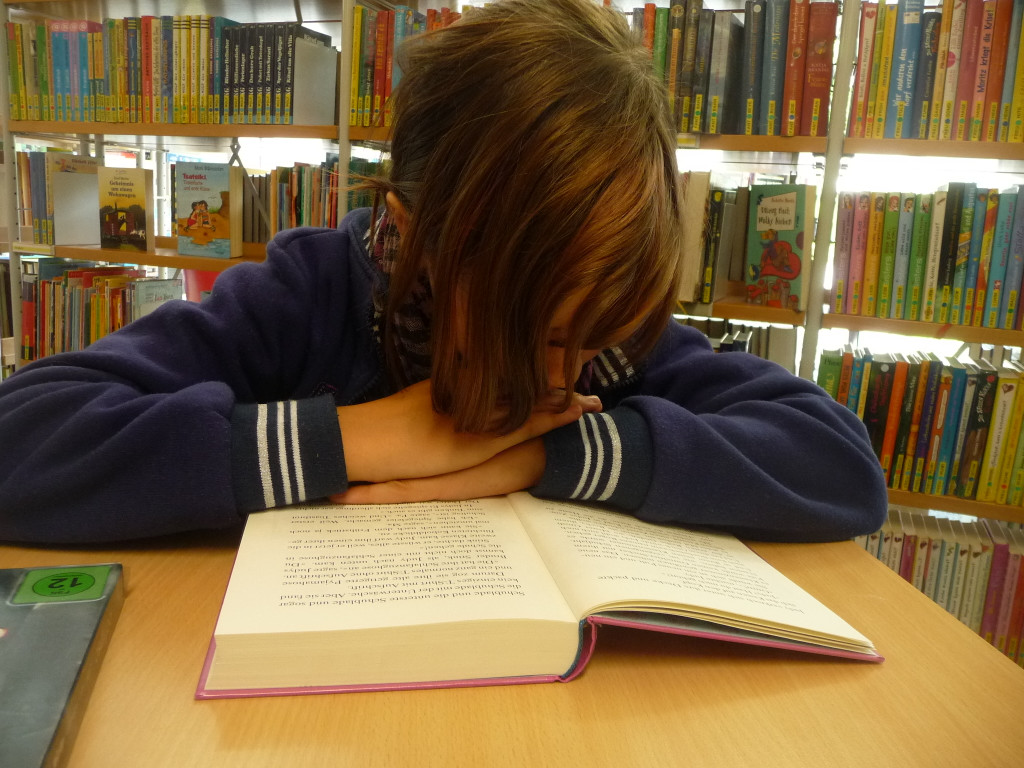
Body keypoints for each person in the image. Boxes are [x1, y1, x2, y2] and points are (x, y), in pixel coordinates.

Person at [0, 0, 887, 545]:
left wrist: (550, 453)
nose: (563, 374)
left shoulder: (603, 322)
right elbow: (23, 437)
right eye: (540, 333)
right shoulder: (308, 292)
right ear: (414, 234)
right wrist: (356, 438)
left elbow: (841, 466)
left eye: (594, 337)